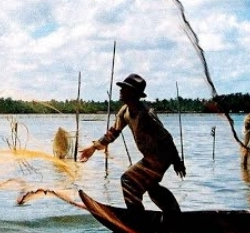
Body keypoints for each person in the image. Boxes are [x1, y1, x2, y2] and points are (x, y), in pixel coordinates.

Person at [79, 73, 186, 216]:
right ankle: (173, 214)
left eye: (125, 89)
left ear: (134, 94)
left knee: (129, 180)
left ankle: (137, 216)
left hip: (162, 156)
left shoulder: (146, 115)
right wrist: (93, 147)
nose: (121, 91)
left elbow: (166, 139)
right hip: (150, 157)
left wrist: (177, 161)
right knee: (151, 186)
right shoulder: (124, 111)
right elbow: (113, 132)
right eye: (122, 88)